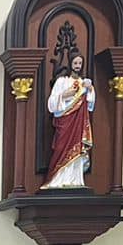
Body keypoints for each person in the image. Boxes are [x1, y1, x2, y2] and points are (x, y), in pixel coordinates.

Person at [41, 52, 95, 189]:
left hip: (78, 122)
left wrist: (90, 90)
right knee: (60, 148)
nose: (77, 66)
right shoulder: (62, 81)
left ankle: (75, 180)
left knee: (77, 150)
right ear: (70, 63)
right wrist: (65, 95)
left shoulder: (84, 83)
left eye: (80, 63)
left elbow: (90, 105)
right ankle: (56, 179)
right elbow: (51, 103)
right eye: (75, 63)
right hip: (64, 121)